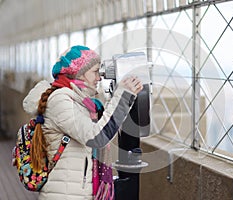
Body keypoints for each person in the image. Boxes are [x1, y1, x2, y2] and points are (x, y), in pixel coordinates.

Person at [22, 45, 143, 199]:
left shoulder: (82, 103)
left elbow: (104, 126)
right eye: (95, 72)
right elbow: (96, 137)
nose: (99, 78)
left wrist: (119, 99)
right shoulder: (60, 101)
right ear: (78, 73)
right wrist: (123, 96)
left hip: (76, 192)